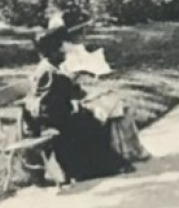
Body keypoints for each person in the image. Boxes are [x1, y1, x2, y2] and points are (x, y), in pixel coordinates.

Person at [23, 24, 129, 185]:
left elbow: (66, 94)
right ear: (53, 51)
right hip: (48, 119)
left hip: (53, 114)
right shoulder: (49, 72)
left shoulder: (53, 69)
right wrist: (74, 106)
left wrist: (75, 99)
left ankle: (97, 165)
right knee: (87, 122)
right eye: (61, 49)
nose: (65, 52)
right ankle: (87, 169)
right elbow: (47, 104)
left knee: (92, 118)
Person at [49, 14, 151, 166]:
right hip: (73, 99)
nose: (80, 35)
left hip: (83, 92)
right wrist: (77, 74)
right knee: (113, 105)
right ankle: (127, 150)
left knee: (119, 102)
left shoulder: (75, 49)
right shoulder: (57, 54)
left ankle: (129, 149)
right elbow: (62, 81)